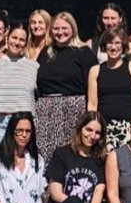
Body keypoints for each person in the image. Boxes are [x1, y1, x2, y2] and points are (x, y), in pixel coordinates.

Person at [35, 12, 98, 163]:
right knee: (47, 153)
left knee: (74, 151)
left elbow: (92, 86)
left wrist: (91, 115)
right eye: (56, 28)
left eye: (64, 28)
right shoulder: (45, 53)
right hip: (46, 111)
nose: (60, 32)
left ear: (73, 29)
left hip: (74, 109)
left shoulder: (84, 53)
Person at [87, 26, 131, 151]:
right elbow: (92, 104)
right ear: (104, 46)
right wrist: (93, 128)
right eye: (110, 43)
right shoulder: (95, 71)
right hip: (105, 128)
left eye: (117, 43)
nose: (113, 47)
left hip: (130, 128)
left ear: (123, 45)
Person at [0, 23, 39, 148]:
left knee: (23, 160)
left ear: (26, 43)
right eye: (14, 37)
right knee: (0, 160)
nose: (17, 42)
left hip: (24, 125)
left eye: (22, 40)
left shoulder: (33, 67)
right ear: (7, 38)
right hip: (0, 123)